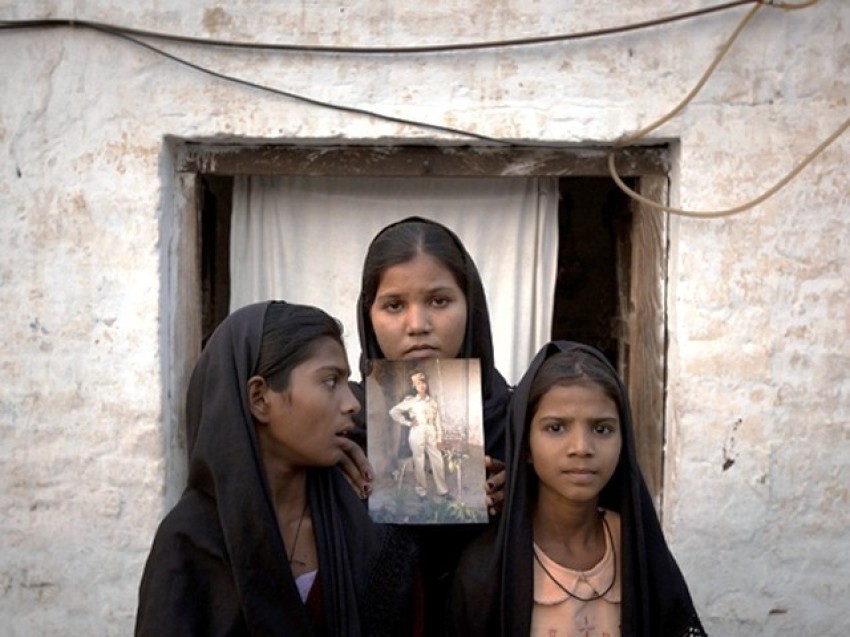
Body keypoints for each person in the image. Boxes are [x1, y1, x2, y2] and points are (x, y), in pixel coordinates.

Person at [135, 301, 422, 637]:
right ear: (259, 398)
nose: (352, 403)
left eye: (347, 382)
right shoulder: (190, 544)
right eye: (331, 382)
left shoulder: (365, 531)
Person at [448, 341, 706, 636]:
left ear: (624, 442)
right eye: (556, 428)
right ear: (526, 446)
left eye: (602, 429)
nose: (582, 448)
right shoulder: (485, 570)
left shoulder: (637, 547)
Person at [354, 217, 512, 635]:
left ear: (470, 305)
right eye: (394, 305)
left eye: (439, 301)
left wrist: (528, 497)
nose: (417, 324)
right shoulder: (339, 427)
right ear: (368, 313)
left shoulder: (518, 421)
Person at [389, 370, 450, 498]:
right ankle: (421, 491)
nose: (421, 386)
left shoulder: (432, 402)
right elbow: (394, 412)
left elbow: (438, 421)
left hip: (431, 430)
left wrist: (439, 438)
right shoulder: (411, 401)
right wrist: (407, 422)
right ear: (415, 386)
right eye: (418, 384)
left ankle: (443, 490)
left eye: (423, 383)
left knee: (437, 460)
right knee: (419, 461)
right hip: (417, 432)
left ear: (426, 384)